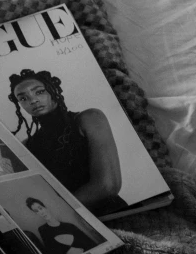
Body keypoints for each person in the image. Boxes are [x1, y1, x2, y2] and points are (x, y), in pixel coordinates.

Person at [8, 69, 124, 216]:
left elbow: (107, 186)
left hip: (115, 213)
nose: (33, 100)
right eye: (23, 98)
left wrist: (59, 211)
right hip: (75, 222)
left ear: (53, 90)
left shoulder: (90, 119)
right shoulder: (27, 146)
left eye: (39, 92)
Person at [26, 197, 98, 254]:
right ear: (36, 214)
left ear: (45, 207)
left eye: (40, 208)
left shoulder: (70, 226)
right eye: (36, 211)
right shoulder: (43, 230)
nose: (41, 212)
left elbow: (91, 244)